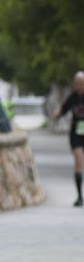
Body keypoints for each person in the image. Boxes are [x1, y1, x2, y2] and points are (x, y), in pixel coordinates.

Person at [51, 70, 84, 206]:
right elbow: (63, 111)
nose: (79, 86)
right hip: (76, 132)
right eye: (77, 83)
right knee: (78, 160)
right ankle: (79, 196)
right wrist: (56, 114)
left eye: (82, 83)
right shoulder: (73, 97)